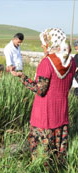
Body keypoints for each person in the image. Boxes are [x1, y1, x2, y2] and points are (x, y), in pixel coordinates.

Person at [10, 28, 76, 163]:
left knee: (42, 157)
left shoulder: (47, 63)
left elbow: (40, 90)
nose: (42, 45)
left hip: (44, 116)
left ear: (51, 44)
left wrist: (22, 77)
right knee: (58, 153)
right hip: (61, 113)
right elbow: (67, 86)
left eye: (44, 42)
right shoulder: (71, 62)